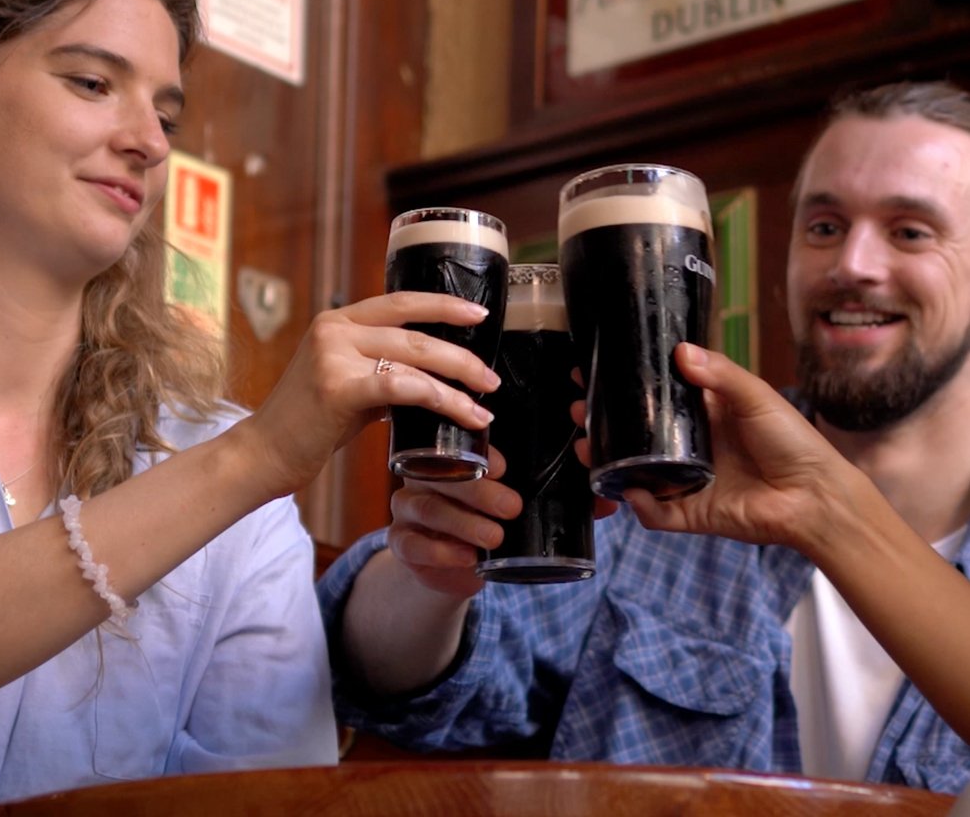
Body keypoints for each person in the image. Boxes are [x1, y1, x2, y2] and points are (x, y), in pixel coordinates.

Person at [0, 0, 499, 809]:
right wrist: (258, 457)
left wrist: (249, 464)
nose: (145, 142)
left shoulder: (225, 485)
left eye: (166, 117)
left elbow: (265, 801)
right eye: (91, 82)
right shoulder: (234, 469)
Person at [318, 79, 970, 794]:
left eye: (910, 231)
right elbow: (398, 684)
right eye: (824, 227)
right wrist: (428, 580)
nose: (852, 265)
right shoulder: (657, 485)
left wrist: (832, 515)